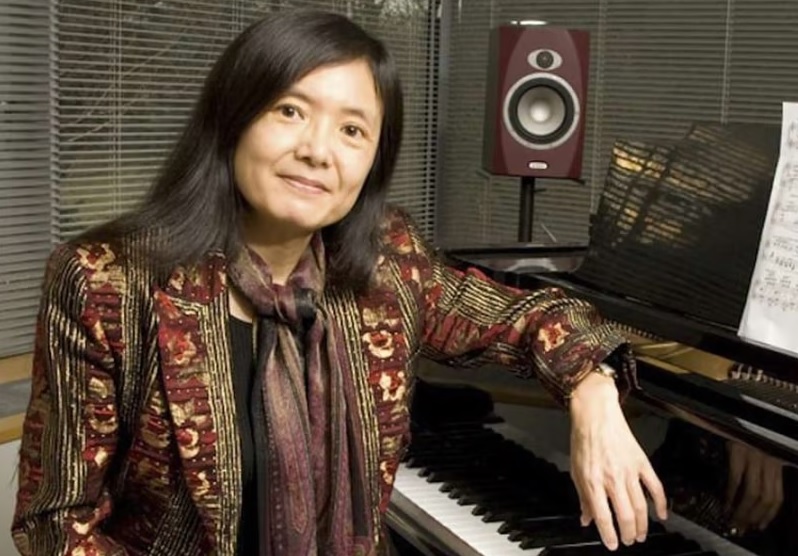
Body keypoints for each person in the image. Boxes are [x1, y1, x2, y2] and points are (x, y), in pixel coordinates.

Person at [11, 9, 667, 556]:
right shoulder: (106, 283)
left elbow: (530, 317)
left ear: (371, 163)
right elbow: (56, 529)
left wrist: (592, 390)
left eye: (353, 129)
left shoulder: (389, 265)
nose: (319, 150)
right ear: (233, 120)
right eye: (290, 111)